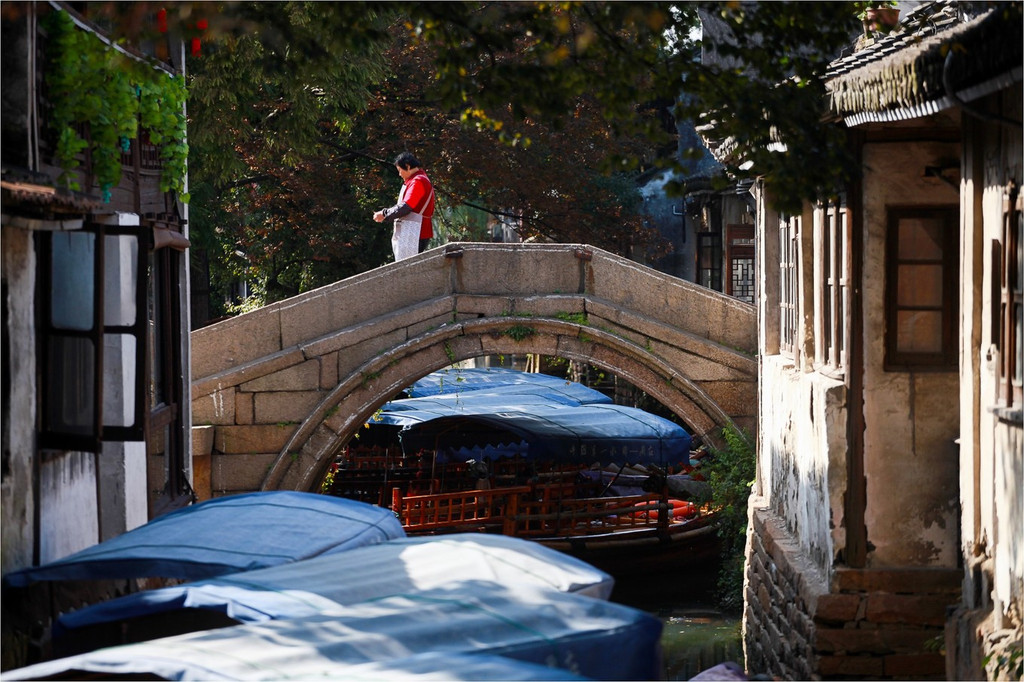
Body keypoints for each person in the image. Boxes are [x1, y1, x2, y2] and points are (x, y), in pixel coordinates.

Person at [373, 152, 435, 261]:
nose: (399, 174)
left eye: (400, 170)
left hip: (416, 233)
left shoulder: (418, 181)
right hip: (415, 231)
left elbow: (405, 207)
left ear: (407, 166)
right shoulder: (417, 179)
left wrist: (384, 213)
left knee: (408, 270)